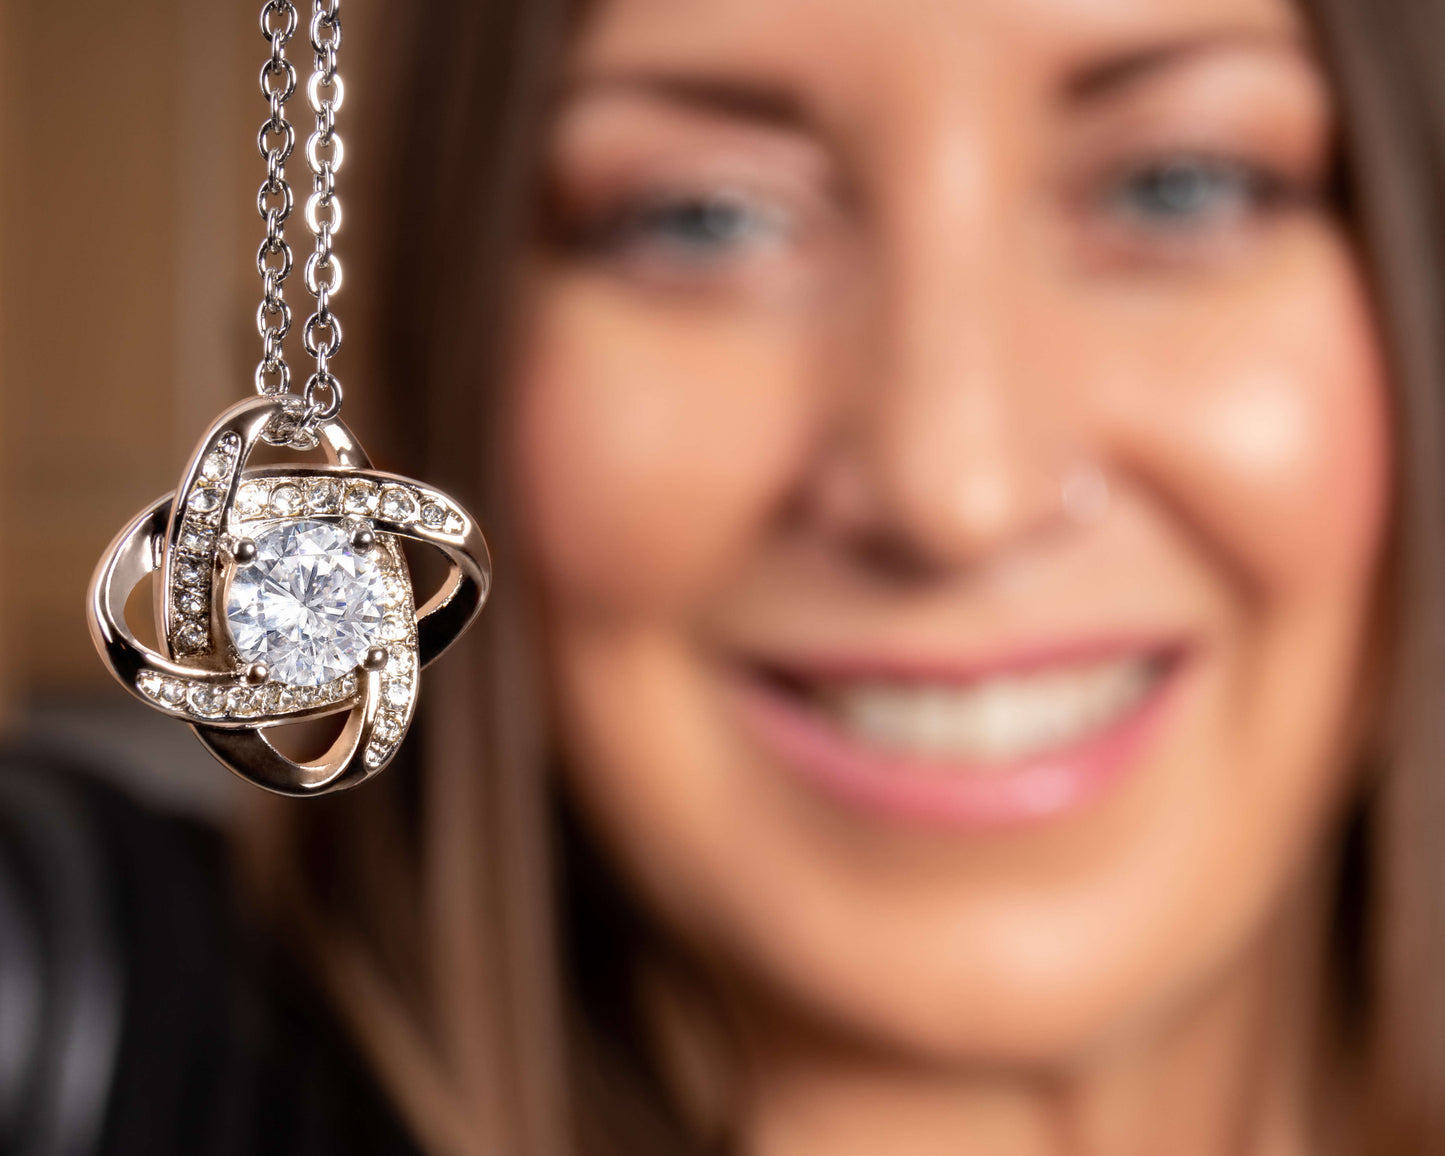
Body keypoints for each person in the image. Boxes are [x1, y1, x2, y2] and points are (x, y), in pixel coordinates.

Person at [8, 0, 1445, 1152]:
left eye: (1179, 186)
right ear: (449, 352)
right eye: (702, 216)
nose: (955, 491)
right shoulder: (86, 1015)